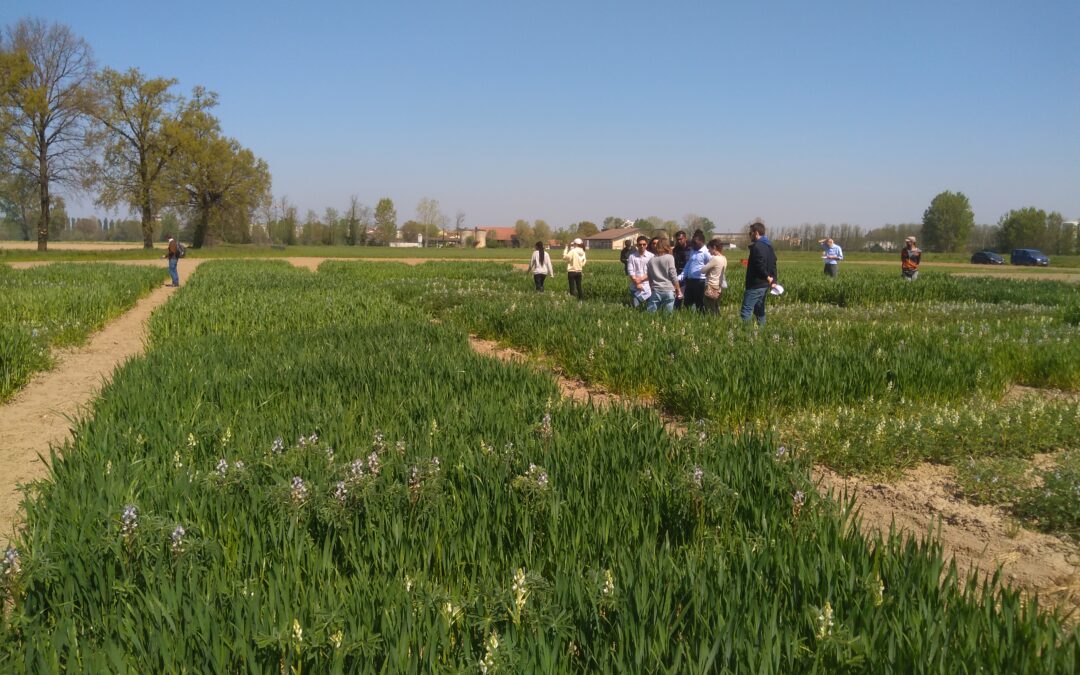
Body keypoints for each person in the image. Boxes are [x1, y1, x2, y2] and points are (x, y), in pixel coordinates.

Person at [740, 221, 778, 325]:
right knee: (759, 311)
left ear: (756, 233)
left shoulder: (757, 246)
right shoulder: (769, 246)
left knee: (746, 311)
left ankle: (746, 336)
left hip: (755, 285)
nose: (749, 235)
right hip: (764, 285)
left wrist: (767, 277)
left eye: (750, 233)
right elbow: (773, 264)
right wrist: (773, 280)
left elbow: (759, 265)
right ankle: (761, 333)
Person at [678, 229, 711, 311]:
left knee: (700, 304)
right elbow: (688, 265)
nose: (692, 244)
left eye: (695, 243)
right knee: (687, 304)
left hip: (700, 282)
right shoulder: (693, 251)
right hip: (690, 281)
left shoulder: (706, 253)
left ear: (701, 242)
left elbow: (711, 267)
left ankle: (701, 320)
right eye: (692, 242)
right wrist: (680, 277)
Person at [646, 238, 681, 312]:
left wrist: (651, 288)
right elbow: (673, 274)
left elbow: (650, 278)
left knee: (650, 315)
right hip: (668, 290)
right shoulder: (669, 258)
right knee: (667, 317)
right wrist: (678, 289)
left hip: (656, 290)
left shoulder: (650, 261)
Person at [700, 238, 728, 314]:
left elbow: (703, 270)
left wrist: (705, 267)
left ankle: (712, 323)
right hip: (718, 287)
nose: (708, 251)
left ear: (714, 247)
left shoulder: (715, 259)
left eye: (709, 249)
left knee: (709, 308)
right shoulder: (724, 258)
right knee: (716, 307)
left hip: (711, 286)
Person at [626, 235, 654, 308]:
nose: (642, 246)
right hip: (635, 286)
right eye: (640, 244)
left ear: (647, 245)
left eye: (644, 244)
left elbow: (652, 271)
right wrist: (637, 283)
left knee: (649, 308)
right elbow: (630, 271)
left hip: (648, 287)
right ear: (637, 245)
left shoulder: (651, 256)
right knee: (635, 307)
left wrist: (640, 280)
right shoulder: (632, 256)